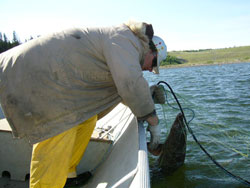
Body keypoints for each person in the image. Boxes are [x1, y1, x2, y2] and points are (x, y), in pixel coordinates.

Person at [0, 20, 167, 188]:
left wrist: (146, 96)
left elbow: (122, 89)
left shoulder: (127, 46)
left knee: (87, 119)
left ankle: (67, 175)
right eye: (153, 64)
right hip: (34, 76)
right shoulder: (126, 39)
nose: (149, 70)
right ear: (150, 51)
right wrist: (153, 121)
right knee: (59, 128)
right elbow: (129, 82)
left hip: (57, 82)